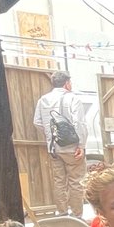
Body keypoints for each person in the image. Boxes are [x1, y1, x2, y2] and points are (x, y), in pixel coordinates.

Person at [34, 70, 87, 217]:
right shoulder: (73, 99)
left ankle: (62, 213)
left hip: (54, 148)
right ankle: (77, 215)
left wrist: (50, 136)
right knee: (76, 181)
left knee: (59, 181)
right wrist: (81, 145)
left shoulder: (43, 100)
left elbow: (37, 122)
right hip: (72, 147)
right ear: (67, 83)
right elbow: (79, 123)